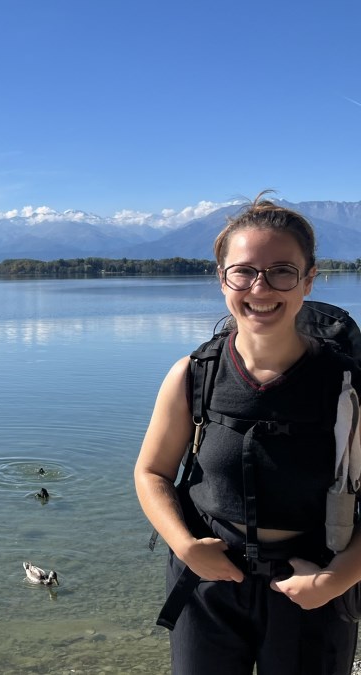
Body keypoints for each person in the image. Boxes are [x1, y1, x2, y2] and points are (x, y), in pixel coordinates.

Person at [134, 192, 361, 674]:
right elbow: (152, 472)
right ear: (222, 280)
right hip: (207, 584)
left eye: (282, 270)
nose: (261, 287)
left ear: (309, 280)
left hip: (312, 586)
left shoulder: (348, 388)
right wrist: (185, 547)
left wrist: (336, 580)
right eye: (244, 271)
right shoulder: (192, 375)